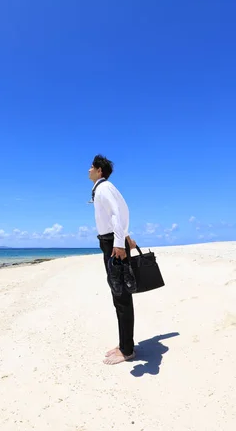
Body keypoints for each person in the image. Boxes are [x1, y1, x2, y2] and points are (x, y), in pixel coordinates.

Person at [89, 154, 137, 365]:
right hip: (111, 241)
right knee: (119, 296)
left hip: (112, 244)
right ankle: (124, 343)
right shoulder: (103, 188)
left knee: (122, 297)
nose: (88, 170)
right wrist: (125, 236)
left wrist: (119, 242)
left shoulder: (104, 188)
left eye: (91, 167)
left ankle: (127, 350)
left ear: (100, 170)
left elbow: (119, 212)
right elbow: (115, 215)